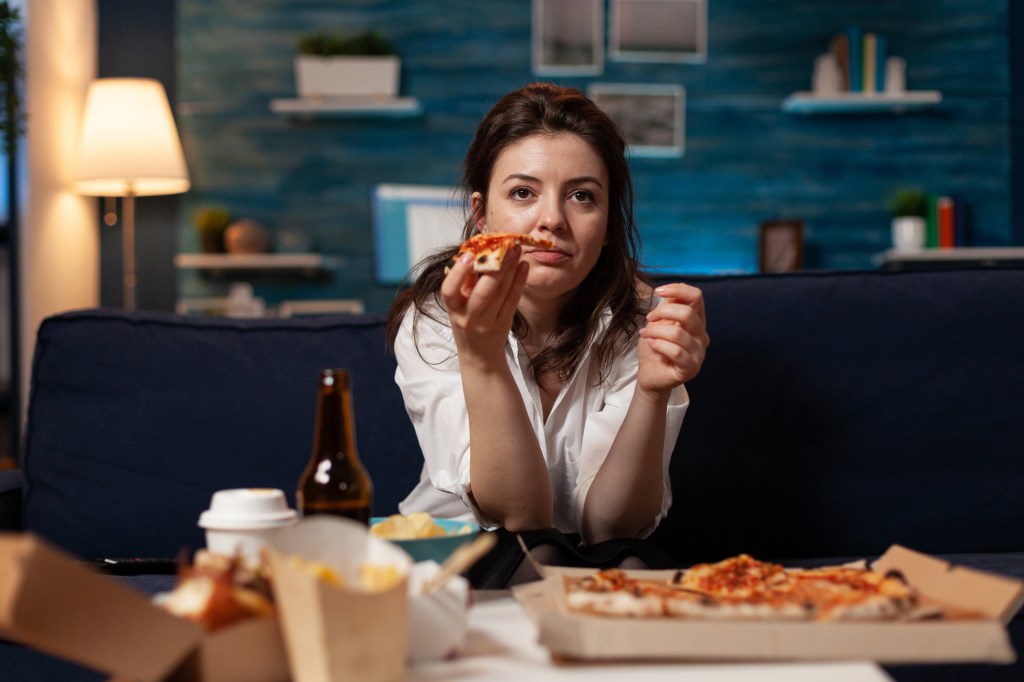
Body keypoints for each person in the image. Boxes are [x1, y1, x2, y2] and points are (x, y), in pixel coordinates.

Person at [386, 82, 709, 587]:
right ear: (481, 214)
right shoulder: (434, 319)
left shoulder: (646, 319)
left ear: (606, 226)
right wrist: (481, 356)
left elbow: (612, 526)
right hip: (458, 555)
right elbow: (520, 515)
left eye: (582, 196)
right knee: (541, 557)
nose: (552, 220)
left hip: (601, 556)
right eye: (522, 193)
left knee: (630, 565)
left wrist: (652, 390)